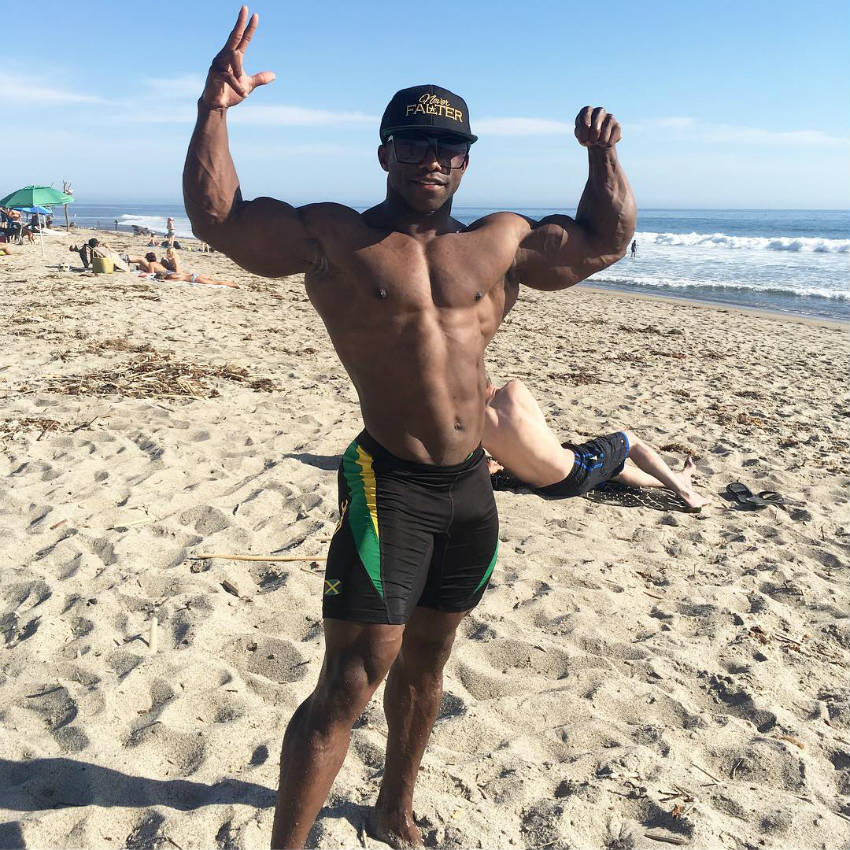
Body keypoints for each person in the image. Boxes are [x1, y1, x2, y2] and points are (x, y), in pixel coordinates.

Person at [182, 9, 635, 848]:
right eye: (418, 143)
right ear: (385, 151)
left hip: (470, 489)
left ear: (467, 159)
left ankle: (395, 805)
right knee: (351, 679)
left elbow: (604, 242)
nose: (435, 158)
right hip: (388, 481)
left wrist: (603, 156)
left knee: (430, 661)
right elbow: (220, 220)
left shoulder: (498, 242)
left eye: (451, 147)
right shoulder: (335, 237)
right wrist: (214, 109)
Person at [483, 379, 710, 511]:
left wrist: (493, 466)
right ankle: (686, 493)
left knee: (614, 468)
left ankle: (675, 479)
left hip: (546, 487)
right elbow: (538, 429)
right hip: (574, 474)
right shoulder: (514, 389)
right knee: (629, 441)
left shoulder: (474, 426)